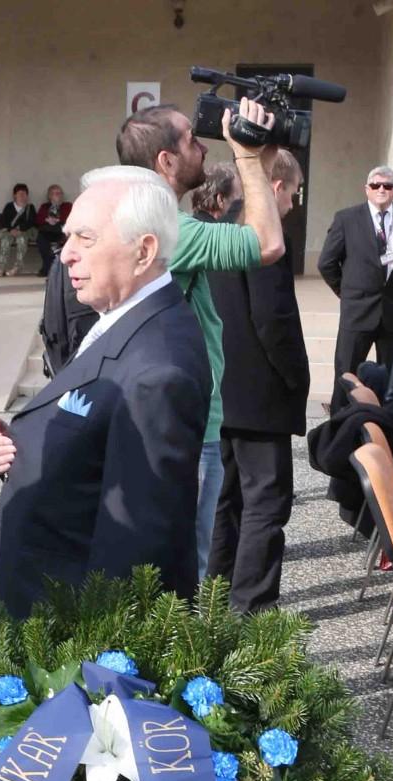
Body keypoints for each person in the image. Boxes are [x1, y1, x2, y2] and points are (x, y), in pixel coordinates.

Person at [0, 168, 211, 619]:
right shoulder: (120, 319)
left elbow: (137, 554)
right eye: (68, 236)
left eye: (85, 238)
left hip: (66, 632)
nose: (66, 254)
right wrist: (21, 447)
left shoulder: (157, 371)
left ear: (144, 251)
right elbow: (95, 447)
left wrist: (98, 660)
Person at [116, 102, 285, 578]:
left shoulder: (140, 219)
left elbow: (247, 235)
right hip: (189, 425)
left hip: (165, 413)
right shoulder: (171, 230)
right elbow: (266, 244)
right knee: (189, 567)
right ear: (166, 160)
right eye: (192, 140)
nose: (205, 148)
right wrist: (246, 157)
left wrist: (262, 162)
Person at [206, 150, 310, 613]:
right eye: (293, 193)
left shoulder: (221, 226)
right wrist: (295, 378)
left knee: (225, 500)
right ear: (276, 187)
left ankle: (213, 598)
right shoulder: (263, 233)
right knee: (266, 503)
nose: (292, 204)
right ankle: (251, 611)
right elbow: (274, 319)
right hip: (260, 395)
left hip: (222, 388)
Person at [318, 166, 393, 413]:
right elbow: (326, 262)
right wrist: (346, 291)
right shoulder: (347, 219)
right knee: (346, 375)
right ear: (367, 189)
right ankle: (340, 427)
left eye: (387, 186)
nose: (381, 190)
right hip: (358, 311)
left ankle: (389, 428)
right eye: (376, 185)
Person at [0, 183, 36, 276]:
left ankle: (17, 267)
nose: (22, 196)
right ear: (14, 195)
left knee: (21, 241)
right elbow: (4, 221)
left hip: (23, 232)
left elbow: (32, 222)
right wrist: (11, 230)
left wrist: (20, 229)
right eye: (20, 194)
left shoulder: (30, 207)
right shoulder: (9, 206)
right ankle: (1, 267)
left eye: (24, 194)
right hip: (10, 232)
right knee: (5, 241)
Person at [35, 183, 72, 277]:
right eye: (55, 193)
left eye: (59, 193)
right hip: (47, 232)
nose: (58, 195)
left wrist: (58, 220)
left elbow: (71, 217)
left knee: (67, 239)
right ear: (50, 196)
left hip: (61, 231)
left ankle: (60, 269)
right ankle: (47, 267)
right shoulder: (45, 206)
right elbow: (38, 219)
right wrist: (47, 219)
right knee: (41, 239)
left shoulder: (67, 206)